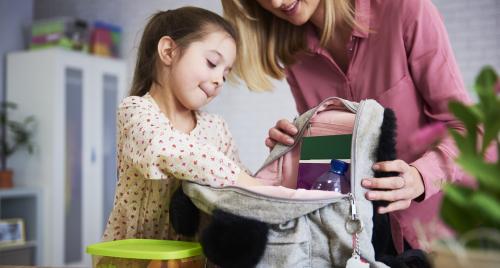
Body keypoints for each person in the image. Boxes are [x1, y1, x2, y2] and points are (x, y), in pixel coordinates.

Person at [221, 0, 471, 257]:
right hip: (369, 242)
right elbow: (335, 163)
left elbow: (469, 130)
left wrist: (420, 177)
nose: (276, 2)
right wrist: (295, 151)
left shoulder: (405, 9)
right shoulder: (295, 54)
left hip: (451, 233)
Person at [102, 6, 263, 243]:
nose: (219, 80)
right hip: (134, 258)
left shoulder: (216, 128)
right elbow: (162, 149)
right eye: (211, 63)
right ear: (169, 51)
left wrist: (274, 170)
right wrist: (239, 178)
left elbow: (240, 187)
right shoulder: (135, 111)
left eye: (226, 73)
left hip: (192, 259)